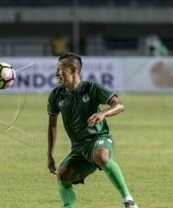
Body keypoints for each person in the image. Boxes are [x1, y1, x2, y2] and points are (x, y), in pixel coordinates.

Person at [47, 52, 138, 208]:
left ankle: (129, 201)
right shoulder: (56, 95)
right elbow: (52, 125)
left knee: (101, 155)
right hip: (79, 148)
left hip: (99, 139)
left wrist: (103, 113)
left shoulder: (92, 88)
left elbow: (119, 105)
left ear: (73, 70)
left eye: (60, 69)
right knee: (62, 175)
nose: (56, 74)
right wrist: (50, 154)